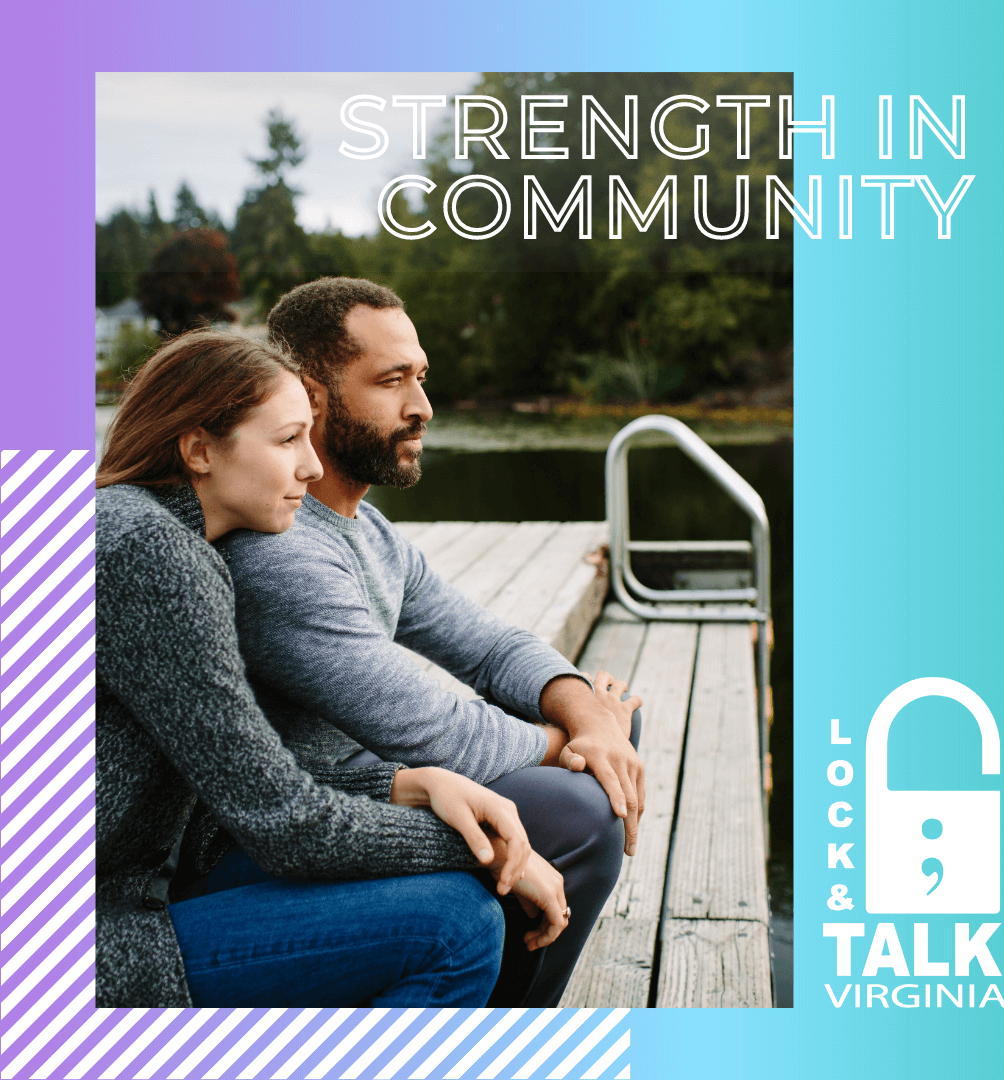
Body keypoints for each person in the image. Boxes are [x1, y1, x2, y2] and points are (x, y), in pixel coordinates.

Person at [95, 328, 569, 1008]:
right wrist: (485, 851)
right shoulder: (155, 557)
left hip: (123, 901)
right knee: (456, 926)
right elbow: (285, 827)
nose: (313, 469)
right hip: (90, 946)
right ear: (199, 449)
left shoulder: (132, 529)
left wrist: (408, 783)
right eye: (288, 440)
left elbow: (225, 786)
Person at [220, 278, 645, 1006]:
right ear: (312, 395)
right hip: (305, 818)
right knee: (582, 813)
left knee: (615, 727)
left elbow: (488, 645)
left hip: (379, 778)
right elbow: (429, 727)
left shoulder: (365, 530)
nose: (422, 408)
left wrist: (584, 709)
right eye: (392, 382)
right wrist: (573, 738)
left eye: (421, 377)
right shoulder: (279, 551)